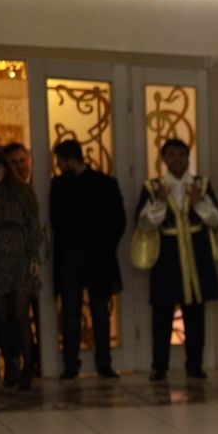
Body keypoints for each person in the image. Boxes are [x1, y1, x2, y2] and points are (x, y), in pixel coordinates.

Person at [136, 138, 218, 381]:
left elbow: (216, 219)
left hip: (196, 254)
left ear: (188, 158)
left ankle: (195, 364)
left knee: (195, 312)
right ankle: (159, 365)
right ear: (163, 159)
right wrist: (160, 202)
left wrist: (198, 203)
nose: (177, 159)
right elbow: (143, 223)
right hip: (167, 256)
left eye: (182, 155)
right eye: (172, 155)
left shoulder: (201, 186)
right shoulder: (153, 187)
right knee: (162, 312)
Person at [49, 138, 126, 380]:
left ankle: (79, 364)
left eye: (60, 161)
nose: (58, 166)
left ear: (68, 160)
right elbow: (118, 221)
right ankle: (96, 363)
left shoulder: (64, 186)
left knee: (83, 311)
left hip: (84, 256)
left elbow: (117, 220)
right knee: (89, 311)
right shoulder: (102, 183)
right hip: (90, 256)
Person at [0, 147, 44, 391]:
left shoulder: (22, 192)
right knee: (2, 318)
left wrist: (34, 257)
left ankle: (28, 366)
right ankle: (11, 364)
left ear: (5, 168)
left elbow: (33, 226)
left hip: (20, 256)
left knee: (21, 314)